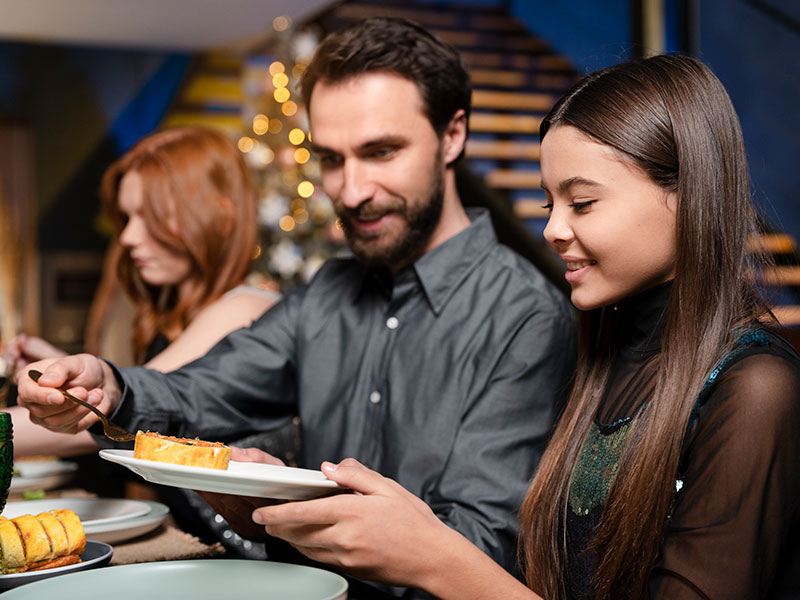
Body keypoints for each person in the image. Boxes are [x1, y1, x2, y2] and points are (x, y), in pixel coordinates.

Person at [16, 17, 575, 598]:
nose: (351, 190)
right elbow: (200, 391)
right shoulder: (327, 293)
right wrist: (110, 386)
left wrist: (289, 505)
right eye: (331, 159)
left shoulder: (526, 319)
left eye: (380, 151)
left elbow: (480, 550)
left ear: (453, 135)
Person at [209, 54, 800, 600]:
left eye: (583, 203)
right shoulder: (599, 354)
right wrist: (294, 509)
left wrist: (434, 556)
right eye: (549, 205)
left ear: (688, 195)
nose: (552, 230)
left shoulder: (754, 389)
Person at [6, 125, 277, 472]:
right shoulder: (176, 309)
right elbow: (139, 394)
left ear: (220, 217)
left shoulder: (246, 308)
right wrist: (60, 375)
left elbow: (136, 415)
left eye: (153, 217)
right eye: (128, 217)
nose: (129, 237)